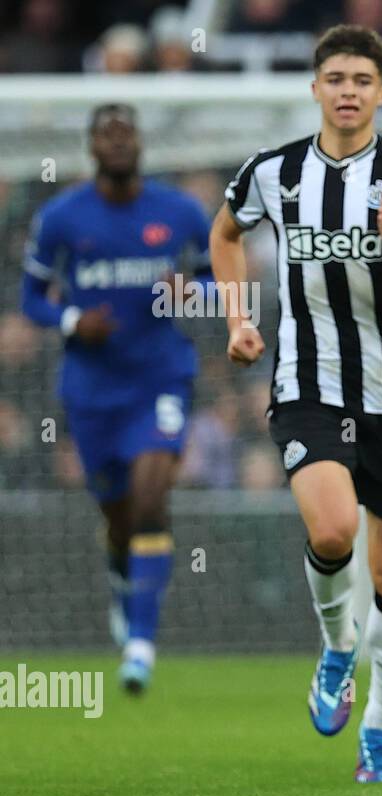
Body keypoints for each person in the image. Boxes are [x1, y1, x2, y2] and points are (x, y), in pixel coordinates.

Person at [210, 24, 382, 782]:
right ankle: (336, 646)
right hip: (306, 386)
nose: (348, 91)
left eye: (362, 79)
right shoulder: (274, 172)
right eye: (336, 78)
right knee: (331, 529)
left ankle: (380, 729)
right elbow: (224, 235)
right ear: (316, 88)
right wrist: (238, 317)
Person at [21, 103, 212, 693]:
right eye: (108, 133)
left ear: (141, 145)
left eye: (127, 131)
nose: (119, 141)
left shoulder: (179, 211)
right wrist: (74, 319)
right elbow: (31, 298)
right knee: (120, 515)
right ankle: (119, 572)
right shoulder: (60, 217)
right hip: (92, 391)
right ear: (92, 148)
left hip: (160, 378)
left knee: (152, 498)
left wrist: (190, 291)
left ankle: (140, 646)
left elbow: (214, 282)